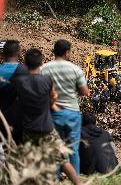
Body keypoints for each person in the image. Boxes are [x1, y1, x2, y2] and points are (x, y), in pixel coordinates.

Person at [14, 48, 80, 185]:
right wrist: (50, 103)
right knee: (62, 160)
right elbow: (54, 96)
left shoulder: (19, 82)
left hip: (27, 129)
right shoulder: (47, 80)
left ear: (25, 64)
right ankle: (78, 183)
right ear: (41, 63)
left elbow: (17, 100)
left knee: (29, 161)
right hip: (46, 128)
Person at [42, 39, 90, 175]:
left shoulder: (44, 68)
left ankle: (55, 178)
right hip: (72, 114)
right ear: (67, 52)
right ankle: (75, 179)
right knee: (73, 149)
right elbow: (85, 91)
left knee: (55, 148)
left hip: (52, 113)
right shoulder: (75, 69)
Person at [0, 40, 28, 144]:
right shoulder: (25, 71)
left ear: (3, 53)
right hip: (19, 121)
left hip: (1, 119)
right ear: (19, 53)